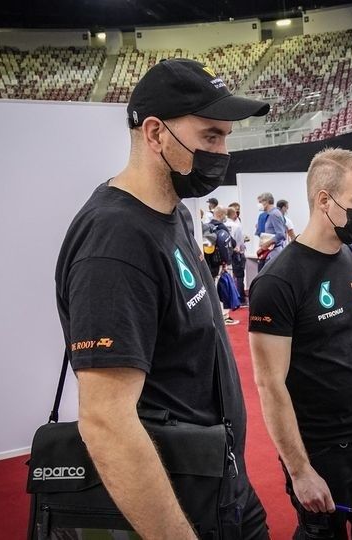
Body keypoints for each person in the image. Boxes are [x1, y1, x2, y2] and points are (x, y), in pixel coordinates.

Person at [54, 57, 270, 538]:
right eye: (210, 136)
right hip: (180, 503)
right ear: (155, 133)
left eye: (225, 137)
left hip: (220, 482)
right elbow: (105, 420)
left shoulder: (175, 215)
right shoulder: (115, 240)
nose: (222, 151)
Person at [249, 148, 352, 540]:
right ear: (324, 200)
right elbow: (270, 384)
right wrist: (299, 470)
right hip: (324, 451)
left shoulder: (351, 255)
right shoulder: (278, 281)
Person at [207, 206, 239, 325]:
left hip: (209, 264)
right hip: (220, 263)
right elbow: (232, 242)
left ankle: (214, 315)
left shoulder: (207, 227)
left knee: (212, 289)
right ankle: (224, 316)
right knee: (222, 288)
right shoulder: (221, 228)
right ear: (221, 215)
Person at [258, 192, 288, 269]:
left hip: (274, 253)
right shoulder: (270, 214)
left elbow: (281, 234)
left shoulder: (274, 214)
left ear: (266, 201)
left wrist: (266, 244)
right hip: (269, 252)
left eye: (260, 202)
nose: (259, 205)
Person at [226, 204, 247, 304]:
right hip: (237, 254)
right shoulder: (236, 226)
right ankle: (240, 298)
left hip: (227, 253)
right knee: (239, 277)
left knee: (229, 276)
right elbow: (240, 243)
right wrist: (242, 251)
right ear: (233, 214)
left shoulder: (223, 225)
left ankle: (231, 298)